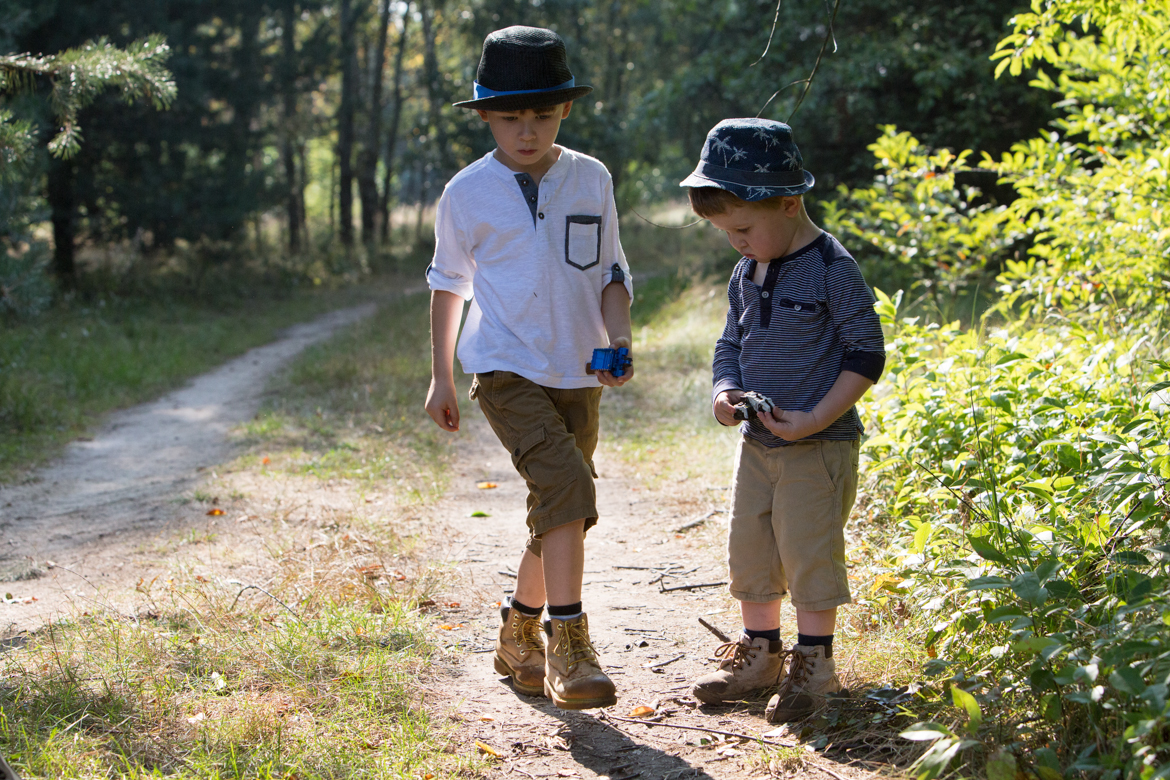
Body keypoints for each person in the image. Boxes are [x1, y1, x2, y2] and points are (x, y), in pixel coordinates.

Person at [424, 25, 633, 711]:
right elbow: (448, 284)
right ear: (485, 114)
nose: (527, 129)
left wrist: (618, 338)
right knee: (569, 488)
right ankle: (569, 649)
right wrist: (442, 376)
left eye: (541, 114)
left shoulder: (591, 178)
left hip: (577, 371)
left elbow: (610, 270)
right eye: (511, 116)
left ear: (564, 111)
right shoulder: (466, 193)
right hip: (505, 369)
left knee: (558, 512)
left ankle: (517, 633)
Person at [679, 118, 885, 723]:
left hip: (817, 445)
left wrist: (818, 416)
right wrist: (725, 389)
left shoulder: (831, 266)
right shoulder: (748, 270)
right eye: (724, 232)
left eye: (742, 227)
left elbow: (866, 353)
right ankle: (759, 655)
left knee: (807, 551)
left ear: (789, 203)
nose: (735, 242)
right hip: (758, 441)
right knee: (752, 549)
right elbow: (729, 345)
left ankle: (815, 665)